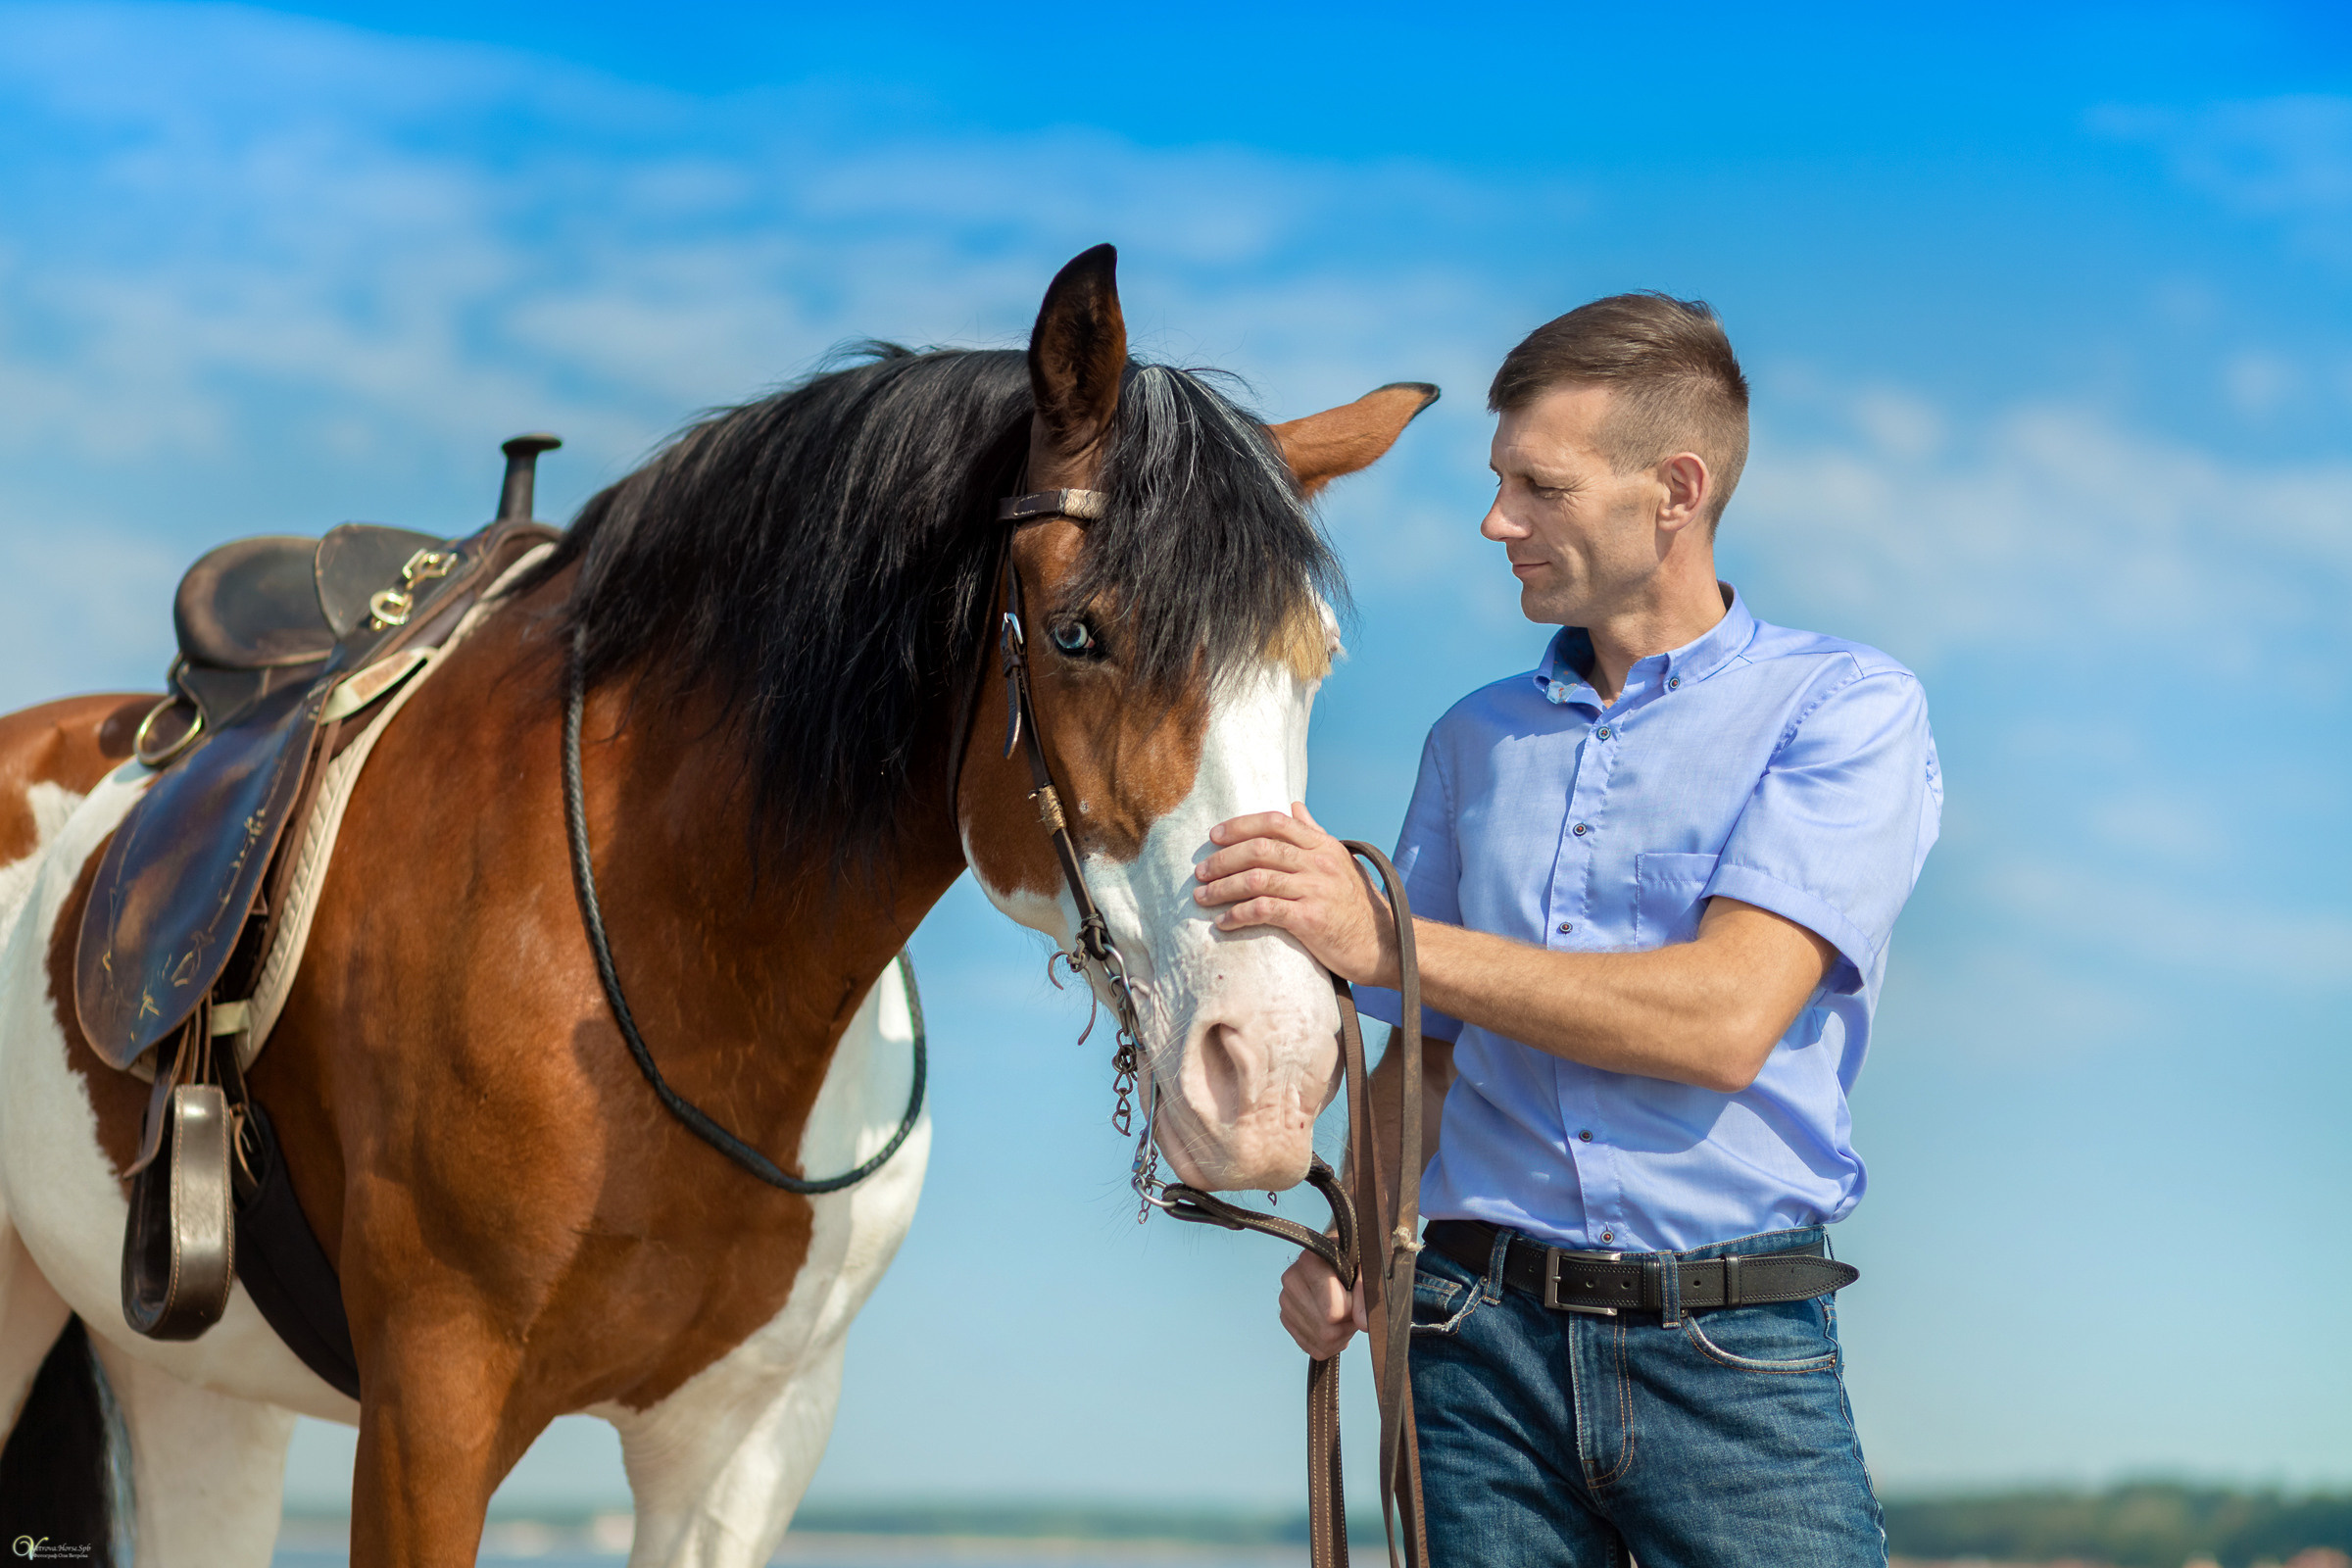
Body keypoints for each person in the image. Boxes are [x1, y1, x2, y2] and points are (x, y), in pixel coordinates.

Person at [1192, 293, 1941, 1567]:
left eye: (1538, 486)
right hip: (1467, 1346)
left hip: (1731, 1351)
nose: (1499, 522)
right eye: (1500, 483)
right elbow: (1421, 1057)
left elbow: (1721, 1021)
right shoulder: (1473, 740)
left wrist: (1387, 943)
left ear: (1675, 491)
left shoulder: (1845, 709)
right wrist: (1353, 1243)